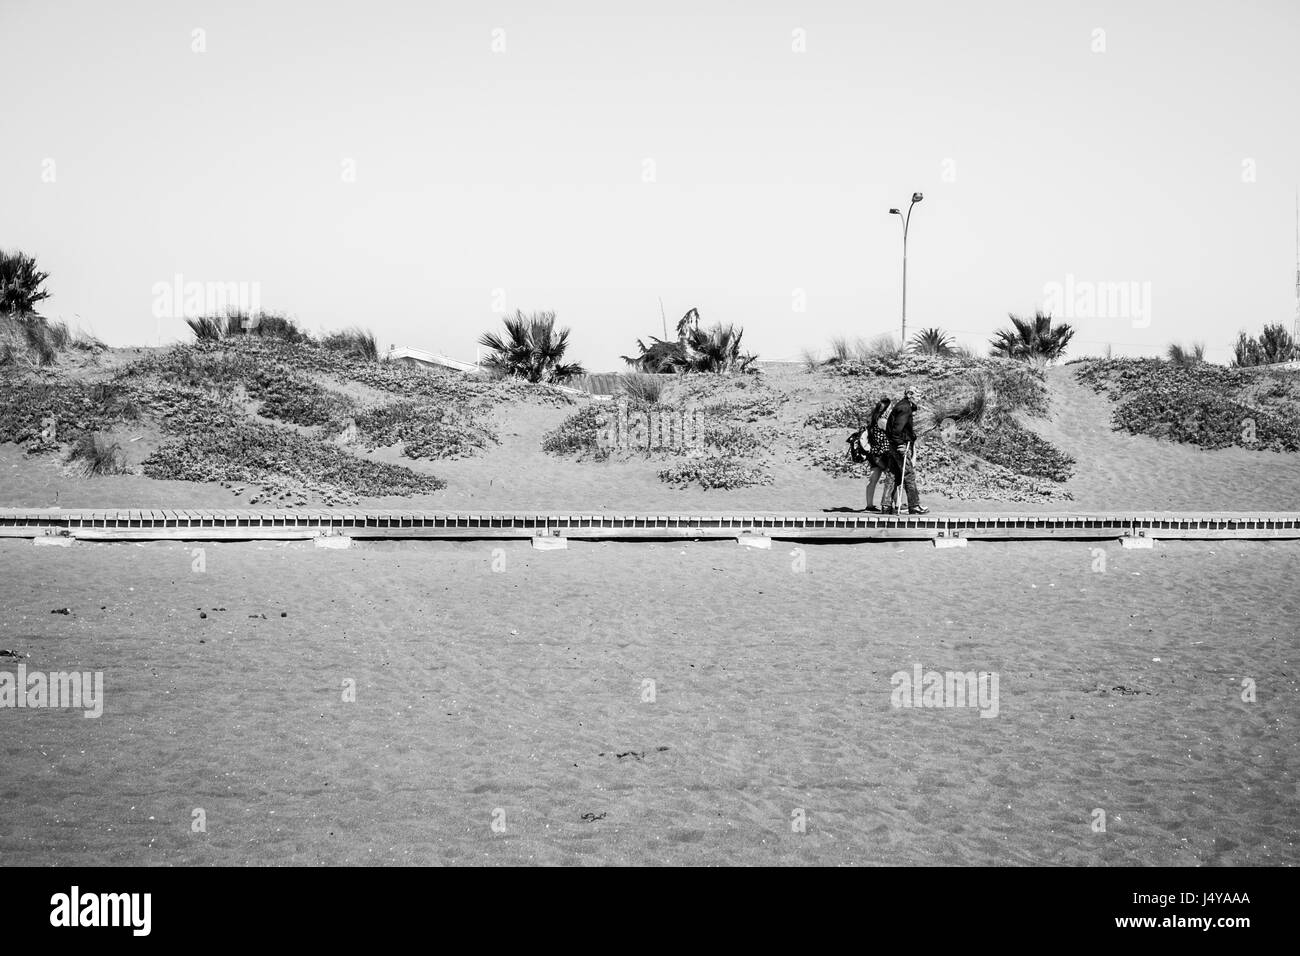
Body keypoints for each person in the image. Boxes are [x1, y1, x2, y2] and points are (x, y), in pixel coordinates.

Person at [879, 389, 929, 515]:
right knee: (909, 474)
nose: (919, 398)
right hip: (900, 446)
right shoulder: (905, 408)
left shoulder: (902, 406)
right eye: (917, 395)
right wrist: (901, 444)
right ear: (909, 395)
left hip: (893, 445)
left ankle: (886, 506)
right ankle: (914, 505)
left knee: (892, 475)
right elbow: (897, 430)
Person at [862, 395, 891, 512]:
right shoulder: (883, 421)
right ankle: (894, 503)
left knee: (873, 480)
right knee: (892, 478)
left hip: (874, 453)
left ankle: (869, 505)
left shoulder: (873, 420)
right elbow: (894, 433)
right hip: (884, 453)